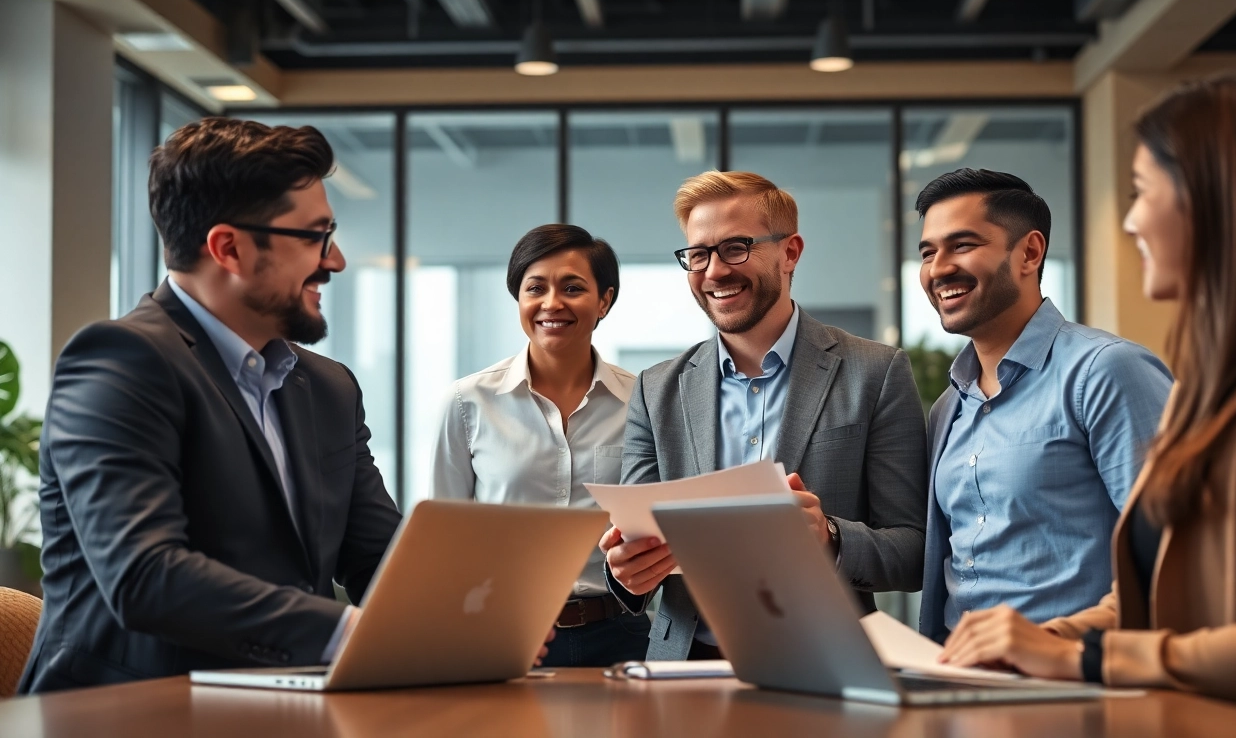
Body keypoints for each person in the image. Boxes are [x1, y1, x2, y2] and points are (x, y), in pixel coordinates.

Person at [18, 118, 550, 694]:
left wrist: (476, 617)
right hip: (126, 713)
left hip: (286, 706)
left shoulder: (328, 387)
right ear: (230, 248)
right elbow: (146, 576)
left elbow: (378, 555)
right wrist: (352, 630)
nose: (336, 259)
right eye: (316, 236)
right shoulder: (121, 361)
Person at [937, 75, 1236, 723]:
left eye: (1140, 193)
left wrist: (1080, 661)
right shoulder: (1210, 388)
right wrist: (1039, 643)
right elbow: (1158, 599)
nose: (1128, 220)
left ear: (1215, 201)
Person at [601, 170, 928, 660]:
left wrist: (830, 537)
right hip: (686, 668)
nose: (714, 271)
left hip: (828, 663)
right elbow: (637, 544)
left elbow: (913, 550)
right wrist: (625, 570)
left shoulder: (875, 372)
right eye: (698, 254)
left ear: (790, 252)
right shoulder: (656, 389)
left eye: (736, 248)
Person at [913, 169, 1172, 643]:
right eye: (928, 252)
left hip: (1071, 679)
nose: (938, 268)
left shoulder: (1106, 371)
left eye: (963, 245)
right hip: (958, 680)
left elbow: (1173, 559)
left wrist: (1050, 644)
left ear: (1029, 253)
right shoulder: (948, 406)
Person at [432, 223, 649, 667]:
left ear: (604, 300)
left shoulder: (643, 402)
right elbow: (443, 540)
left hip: (620, 634)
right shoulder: (466, 402)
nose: (552, 304)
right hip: (503, 634)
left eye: (573, 288)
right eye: (536, 288)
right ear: (519, 299)